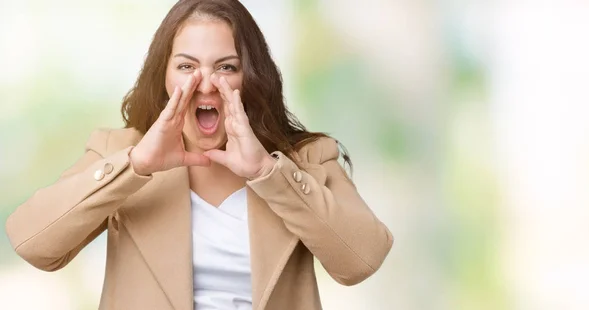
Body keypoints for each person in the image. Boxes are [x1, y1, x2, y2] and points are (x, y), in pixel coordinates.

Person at [5, 0, 393, 309]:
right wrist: (135, 166)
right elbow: (31, 243)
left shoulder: (306, 159)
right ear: (164, 78)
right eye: (187, 66)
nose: (205, 84)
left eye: (226, 67)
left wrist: (266, 172)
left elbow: (362, 261)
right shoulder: (120, 151)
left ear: (252, 79)